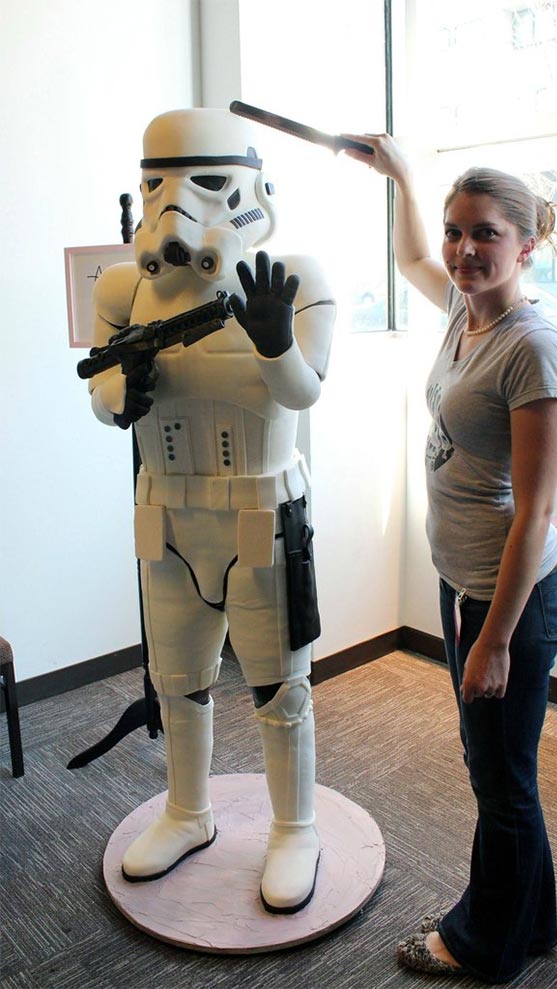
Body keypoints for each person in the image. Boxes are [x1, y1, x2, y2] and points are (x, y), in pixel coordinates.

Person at [87, 108, 335, 913]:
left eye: (206, 183)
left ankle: (295, 826)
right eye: (159, 184)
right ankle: (187, 812)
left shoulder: (294, 277)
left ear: (251, 187)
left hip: (261, 512)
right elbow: (102, 394)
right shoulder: (125, 287)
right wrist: (128, 389)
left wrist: (275, 343)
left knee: (281, 687)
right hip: (166, 513)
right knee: (177, 680)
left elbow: (304, 391)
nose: (177, 208)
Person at [343, 134, 557, 983]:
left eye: (483, 234)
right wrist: (402, 173)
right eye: (455, 231)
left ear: (527, 243)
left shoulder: (531, 346)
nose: (462, 250)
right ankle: (533, 923)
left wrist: (496, 639)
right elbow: (409, 252)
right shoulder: (461, 310)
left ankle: (484, 945)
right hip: (466, 581)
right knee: (502, 768)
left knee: (497, 779)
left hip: (510, 596)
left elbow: (537, 511)